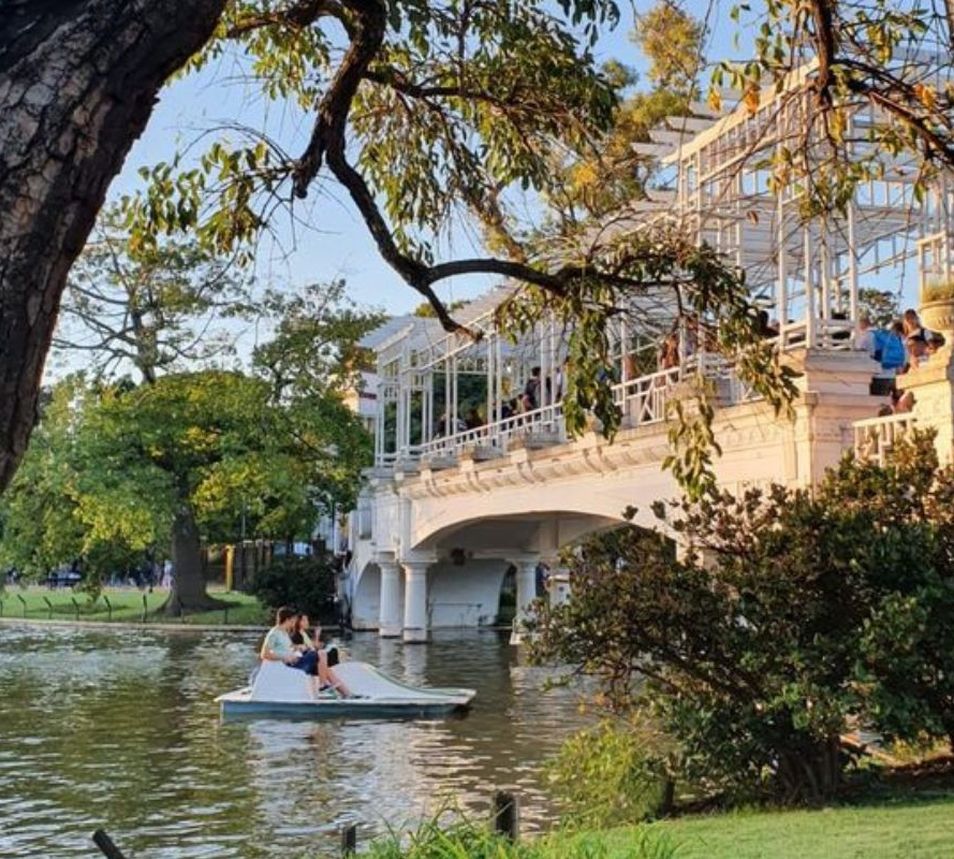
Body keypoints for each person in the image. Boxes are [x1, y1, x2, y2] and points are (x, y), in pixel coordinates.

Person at [261, 607, 318, 676]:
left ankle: (319, 681)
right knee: (314, 655)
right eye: (293, 620)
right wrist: (285, 657)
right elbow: (264, 654)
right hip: (285, 667)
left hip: (292, 662)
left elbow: (287, 647)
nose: (295, 622)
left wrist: (297, 647)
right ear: (287, 619)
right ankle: (316, 679)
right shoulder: (274, 633)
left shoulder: (285, 632)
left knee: (314, 654)